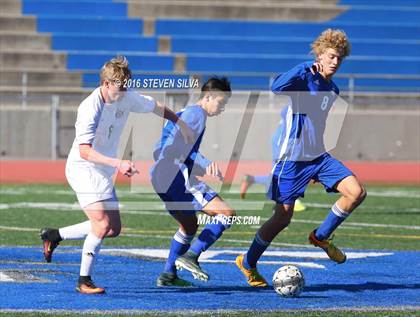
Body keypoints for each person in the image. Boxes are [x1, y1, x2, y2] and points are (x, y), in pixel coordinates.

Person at [40, 56, 194, 294]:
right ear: (105, 83)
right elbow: (84, 151)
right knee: (101, 225)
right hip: (83, 167)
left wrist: (180, 123)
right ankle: (84, 281)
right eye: (118, 86)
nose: (123, 91)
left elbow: (155, 106)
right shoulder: (89, 107)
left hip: (104, 168)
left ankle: (54, 235)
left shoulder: (126, 96)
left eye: (126, 86)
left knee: (113, 229)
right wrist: (119, 163)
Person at [236, 29, 367, 287]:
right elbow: (276, 86)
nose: (335, 62)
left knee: (356, 192)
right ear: (320, 55)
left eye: (339, 58)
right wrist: (306, 67)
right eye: (330, 56)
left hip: (318, 157)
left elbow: (316, 125)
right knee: (282, 218)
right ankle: (248, 262)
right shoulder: (304, 77)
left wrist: (316, 168)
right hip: (291, 160)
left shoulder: (333, 89)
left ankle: (321, 236)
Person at [151, 77, 234, 287]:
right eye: (221, 102)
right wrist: (204, 162)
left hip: (160, 176)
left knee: (189, 226)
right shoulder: (197, 115)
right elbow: (178, 148)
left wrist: (194, 163)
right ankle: (191, 256)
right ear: (208, 96)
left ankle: (168, 274)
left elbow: (159, 149)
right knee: (226, 214)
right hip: (176, 175)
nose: (222, 108)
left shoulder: (185, 114)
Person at [239, 117, 306, 212]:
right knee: (287, 172)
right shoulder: (300, 109)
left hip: (282, 140)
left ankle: (251, 179)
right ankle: (284, 202)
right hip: (284, 141)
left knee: (282, 173)